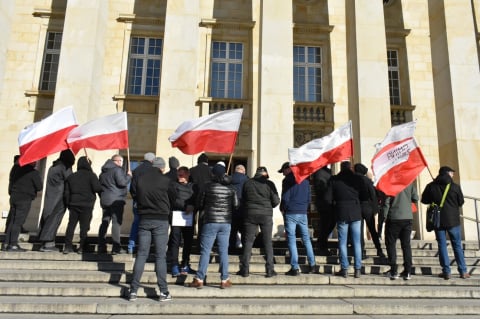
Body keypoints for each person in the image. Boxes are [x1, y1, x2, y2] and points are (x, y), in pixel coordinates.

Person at [129, 157, 176, 302]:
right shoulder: (166, 180)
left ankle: (133, 291)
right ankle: (163, 291)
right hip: (161, 220)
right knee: (160, 256)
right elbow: (173, 198)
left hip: (144, 218)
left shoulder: (140, 179)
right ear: (162, 168)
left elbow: (134, 194)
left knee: (141, 254)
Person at [186, 163, 239, 289]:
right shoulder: (231, 188)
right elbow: (236, 205)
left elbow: (199, 203)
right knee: (223, 251)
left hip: (210, 221)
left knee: (205, 251)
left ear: (213, 173)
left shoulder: (207, 186)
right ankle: (225, 279)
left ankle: (199, 279)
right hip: (225, 222)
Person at [421, 166, 470, 280]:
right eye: (452, 173)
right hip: (453, 221)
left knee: (442, 245)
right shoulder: (455, 187)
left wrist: (433, 192)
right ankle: (463, 271)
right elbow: (461, 201)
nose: (453, 175)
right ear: (447, 173)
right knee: (457, 245)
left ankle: (446, 271)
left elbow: (424, 200)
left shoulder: (431, 186)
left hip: (438, 221)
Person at [325, 161, 367, 278]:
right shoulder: (358, 179)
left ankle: (344, 269)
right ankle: (357, 269)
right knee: (357, 242)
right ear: (351, 168)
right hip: (355, 212)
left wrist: (335, 205)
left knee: (342, 242)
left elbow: (327, 198)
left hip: (341, 212)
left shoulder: (334, 180)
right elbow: (365, 196)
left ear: (341, 168)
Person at [237, 166, 280, 277]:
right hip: (266, 215)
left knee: (248, 242)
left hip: (250, 214)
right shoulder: (269, 184)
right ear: (265, 174)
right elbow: (275, 202)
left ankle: (245, 269)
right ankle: (270, 270)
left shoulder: (247, 183)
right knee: (267, 242)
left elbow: (243, 199)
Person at [279, 162, 316, 276]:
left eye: (283, 171)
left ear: (288, 169)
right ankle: (312, 264)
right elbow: (309, 198)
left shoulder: (287, 181)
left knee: (291, 240)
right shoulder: (305, 180)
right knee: (306, 239)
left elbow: (285, 197)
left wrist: (283, 208)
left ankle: (295, 267)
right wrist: (305, 207)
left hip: (291, 212)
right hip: (303, 212)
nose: (283, 174)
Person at [38, 149, 75, 252]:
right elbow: (71, 180)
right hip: (59, 198)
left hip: (50, 197)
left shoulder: (53, 167)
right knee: (54, 220)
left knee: (47, 217)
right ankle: (48, 243)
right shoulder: (64, 167)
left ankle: (44, 243)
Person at [63, 156, 102, 254]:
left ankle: (67, 246)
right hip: (87, 205)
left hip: (73, 204)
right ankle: (81, 247)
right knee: (84, 227)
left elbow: (66, 193)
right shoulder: (91, 175)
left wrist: (68, 204)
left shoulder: (71, 176)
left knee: (71, 225)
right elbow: (97, 188)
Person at [3, 159, 42, 251]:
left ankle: (6, 243)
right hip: (24, 198)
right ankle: (13, 244)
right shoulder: (33, 172)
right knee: (18, 222)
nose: (36, 163)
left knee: (12, 221)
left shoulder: (18, 169)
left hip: (14, 197)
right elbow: (39, 186)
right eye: (35, 161)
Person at [382, 182, 418, 280]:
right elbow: (416, 198)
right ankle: (408, 271)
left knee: (391, 244)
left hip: (393, 217)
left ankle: (394, 270)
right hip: (407, 218)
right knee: (406, 245)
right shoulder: (409, 184)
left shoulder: (391, 185)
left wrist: (384, 217)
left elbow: (386, 202)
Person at [97, 154, 132, 254]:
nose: (121, 163)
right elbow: (122, 182)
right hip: (116, 200)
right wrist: (128, 176)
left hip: (105, 200)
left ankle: (101, 246)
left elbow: (100, 187)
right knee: (116, 223)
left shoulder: (103, 172)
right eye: (120, 161)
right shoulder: (117, 170)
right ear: (115, 161)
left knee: (104, 222)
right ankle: (116, 247)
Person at [167, 166, 197, 277]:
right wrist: (185, 207)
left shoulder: (194, 186)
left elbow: (198, 200)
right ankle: (174, 264)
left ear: (187, 174)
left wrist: (193, 206)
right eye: (178, 174)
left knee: (188, 241)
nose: (179, 176)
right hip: (176, 216)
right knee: (175, 241)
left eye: (182, 174)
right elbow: (172, 200)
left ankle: (185, 263)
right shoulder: (173, 185)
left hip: (189, 218)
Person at [354, 163, 385, 259]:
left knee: (358, 231)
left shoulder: (353, 181)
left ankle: (361, 251)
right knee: (372, 230)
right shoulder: (367, 181)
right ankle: (379, 250)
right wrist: (375, 209)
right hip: (367, 207)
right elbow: (373, 195)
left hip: (357, 207)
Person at [128, 152, 155, 254]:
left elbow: (132, 188)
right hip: (150, 202)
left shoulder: (136, 170)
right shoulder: (154, 171)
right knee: (149, 225)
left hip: (137, 201)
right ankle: (146, 248)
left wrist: (136, 198)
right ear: (152, 160)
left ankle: (131, 246)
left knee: (136, 223)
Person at [313, 166, 335, 256]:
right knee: (326, 225)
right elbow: (321, 188)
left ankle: (321, 243)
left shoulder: (326, 172)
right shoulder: (319, 173)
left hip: (327, 203)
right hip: (325, 203)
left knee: (329, 224)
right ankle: (322, 246)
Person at [229, 164, 248, 250]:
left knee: (232, 231)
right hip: (243, 209)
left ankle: (231, 249)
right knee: (244, 231)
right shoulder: (247, 180)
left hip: (231, 209)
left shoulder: (229, 178)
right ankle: (245, 250)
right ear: (243, 171)